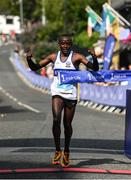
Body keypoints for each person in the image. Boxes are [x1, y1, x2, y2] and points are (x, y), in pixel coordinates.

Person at [26, 34, 99, 167]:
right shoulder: (54, 57)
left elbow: (95, 69)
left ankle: (66, 150)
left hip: (71, 94)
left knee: (67, 125)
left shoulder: (77, 57)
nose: (65, 46)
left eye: (68, 43)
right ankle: (57, 150)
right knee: (55, 119)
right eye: (63, 43)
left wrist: (94, 57)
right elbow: (35, 67)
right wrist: (29, 59)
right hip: (57, 92)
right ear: (59, 44)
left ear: (71, 44)